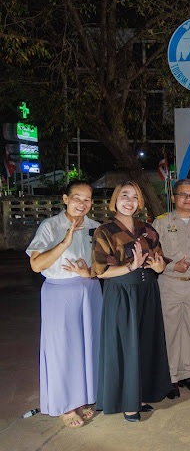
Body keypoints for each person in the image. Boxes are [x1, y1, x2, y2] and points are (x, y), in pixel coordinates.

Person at [91, 181, 171, 422]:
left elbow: (159, 261)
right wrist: (130, 266)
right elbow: (101, 271)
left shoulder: (148, 229)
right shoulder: (104, 231)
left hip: (148, 292)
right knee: (126, 346)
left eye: (135, 197)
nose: (129, 201)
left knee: (145, 343)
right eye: (124, 195)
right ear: (115, 200)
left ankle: (142, 395)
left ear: (140, 202)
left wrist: (159, 266)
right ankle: (128, 402)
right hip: (122, 293)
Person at [26, 180, 103, 429]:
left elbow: (105, 266)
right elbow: (36, 265)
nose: (82, 203)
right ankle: (65, 405)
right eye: (77, 197)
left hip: (90, 291)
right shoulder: (50, 226)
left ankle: (82, 398)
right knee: (62, 349)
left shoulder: (95, 227)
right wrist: (64, 243)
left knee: (87, 347)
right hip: (59, 294)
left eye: (87, 199)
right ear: (65, 199)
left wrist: (89, 272)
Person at [153, 179, 190, 399]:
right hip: (170, 284)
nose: (188, 199)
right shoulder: (162, 222)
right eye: (183, 195)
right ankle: (171, 377)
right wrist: (171, 266)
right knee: (171, 332)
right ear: (174, 197)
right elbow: (153, 253)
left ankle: (186, 373)